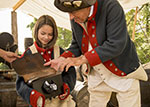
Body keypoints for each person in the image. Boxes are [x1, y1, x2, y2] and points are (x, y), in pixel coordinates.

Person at [44, 0, 148, 107]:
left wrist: (80, 60)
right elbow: (77, 44)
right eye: (68, 13)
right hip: (97, 75)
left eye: (73, 12)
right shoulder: (76, 17)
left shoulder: (111, 6)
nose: (70, 17)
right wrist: (63, 58)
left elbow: (116, 44)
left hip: (123, 71)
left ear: (88, 5)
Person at [16, 15, 76, 107]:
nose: (46, 37)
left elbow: (70, 72)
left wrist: (66, 86)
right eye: (43, 33)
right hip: (40, 103)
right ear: (36, 32)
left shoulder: (60, 52)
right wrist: (32, 95)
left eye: (50, 34)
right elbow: (20, 83)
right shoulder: (28, 54)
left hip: (61, 102)